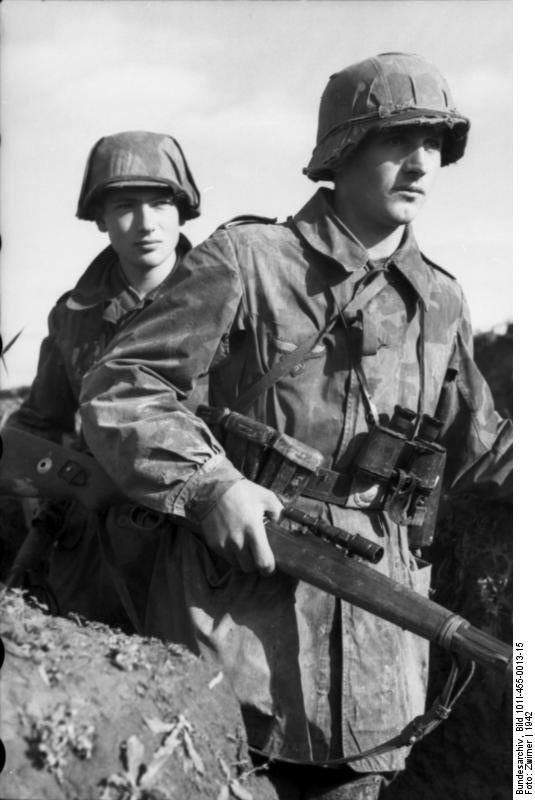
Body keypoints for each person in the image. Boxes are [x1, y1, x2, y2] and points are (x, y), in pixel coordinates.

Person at [79, 54, 512, 799]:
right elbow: (122, 385)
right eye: (395, 141)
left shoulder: (437, 297)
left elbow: (479, 447)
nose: (419, 163)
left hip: (380, 665)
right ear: (343, 151)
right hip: (234, 636)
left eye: (435, 145)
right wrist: (212, 485)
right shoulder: (248, 261)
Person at [7, 130, 201, 632]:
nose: (146, 224)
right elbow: (39, 423)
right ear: (100, 219)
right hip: (93, 547)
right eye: (125, 207)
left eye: (160, 203)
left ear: (182, 210)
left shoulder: (227, 299)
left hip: (196, 546)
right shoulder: (74, 316)